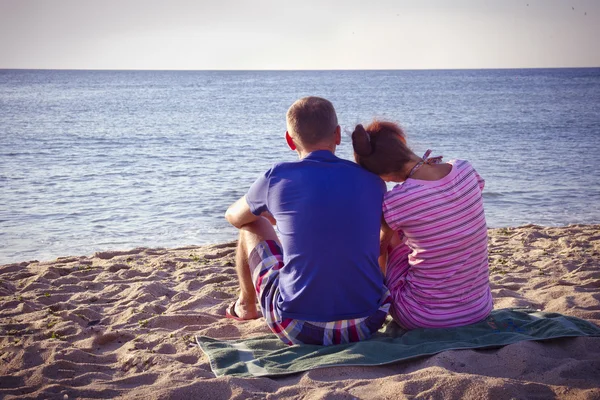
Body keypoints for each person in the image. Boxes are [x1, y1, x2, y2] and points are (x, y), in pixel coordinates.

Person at [224, 96, 391, 346]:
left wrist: (269, 212)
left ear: (290, 140)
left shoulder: (278, 176)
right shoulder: (374, 181)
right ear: (337, 135)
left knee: (251, 225)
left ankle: (246, 305)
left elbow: (234, 217)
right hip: (368, 322)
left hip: (298, 328)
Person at [351, 121, 493, 330]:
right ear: (402, 141)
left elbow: (378, 247)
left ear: (382, 177)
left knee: (390, 235)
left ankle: (375, 302)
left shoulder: (397, 200)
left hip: (422, 316)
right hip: (479, 309)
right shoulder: (464, 168)